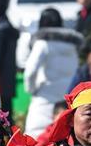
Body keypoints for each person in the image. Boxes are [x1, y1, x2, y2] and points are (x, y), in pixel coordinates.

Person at [23, 8, 81, 138]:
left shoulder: (43, 43)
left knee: (36, 139)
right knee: (64, 139)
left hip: (44, 98)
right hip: (67, 98)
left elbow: (30, 72)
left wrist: (32, 90)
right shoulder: (72, 46)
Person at [0, 0, 18, 119]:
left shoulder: (0, 30)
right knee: (5, 118)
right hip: (6, 83)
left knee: (2, 119)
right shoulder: (6, 26)